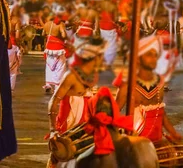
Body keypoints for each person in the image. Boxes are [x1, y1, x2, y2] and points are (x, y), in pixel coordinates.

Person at [48, 34, 131, 167]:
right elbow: (53, 101)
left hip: (85, 119)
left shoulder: (94, 75)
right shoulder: (70, 76)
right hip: (68, 118)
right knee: (61, 155)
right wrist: (53, 129)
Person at [115, 35, 182, 144]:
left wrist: (173, 133)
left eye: (155, 55)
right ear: (138, 59)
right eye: (149, 55)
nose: (153, 59)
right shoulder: (127, 86)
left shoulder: (160, 82)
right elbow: (114, 115)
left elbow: (161, 113)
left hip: (157, 139)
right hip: (135, 143)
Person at [42, 14, 69, 93]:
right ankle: (57, 88)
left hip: (49, 48)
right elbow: (63, 35)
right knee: (60, 68)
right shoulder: (60, 24)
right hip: (58, 49)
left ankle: (48, 84)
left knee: (49, 67)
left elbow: (43, 34)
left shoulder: (47, 24)